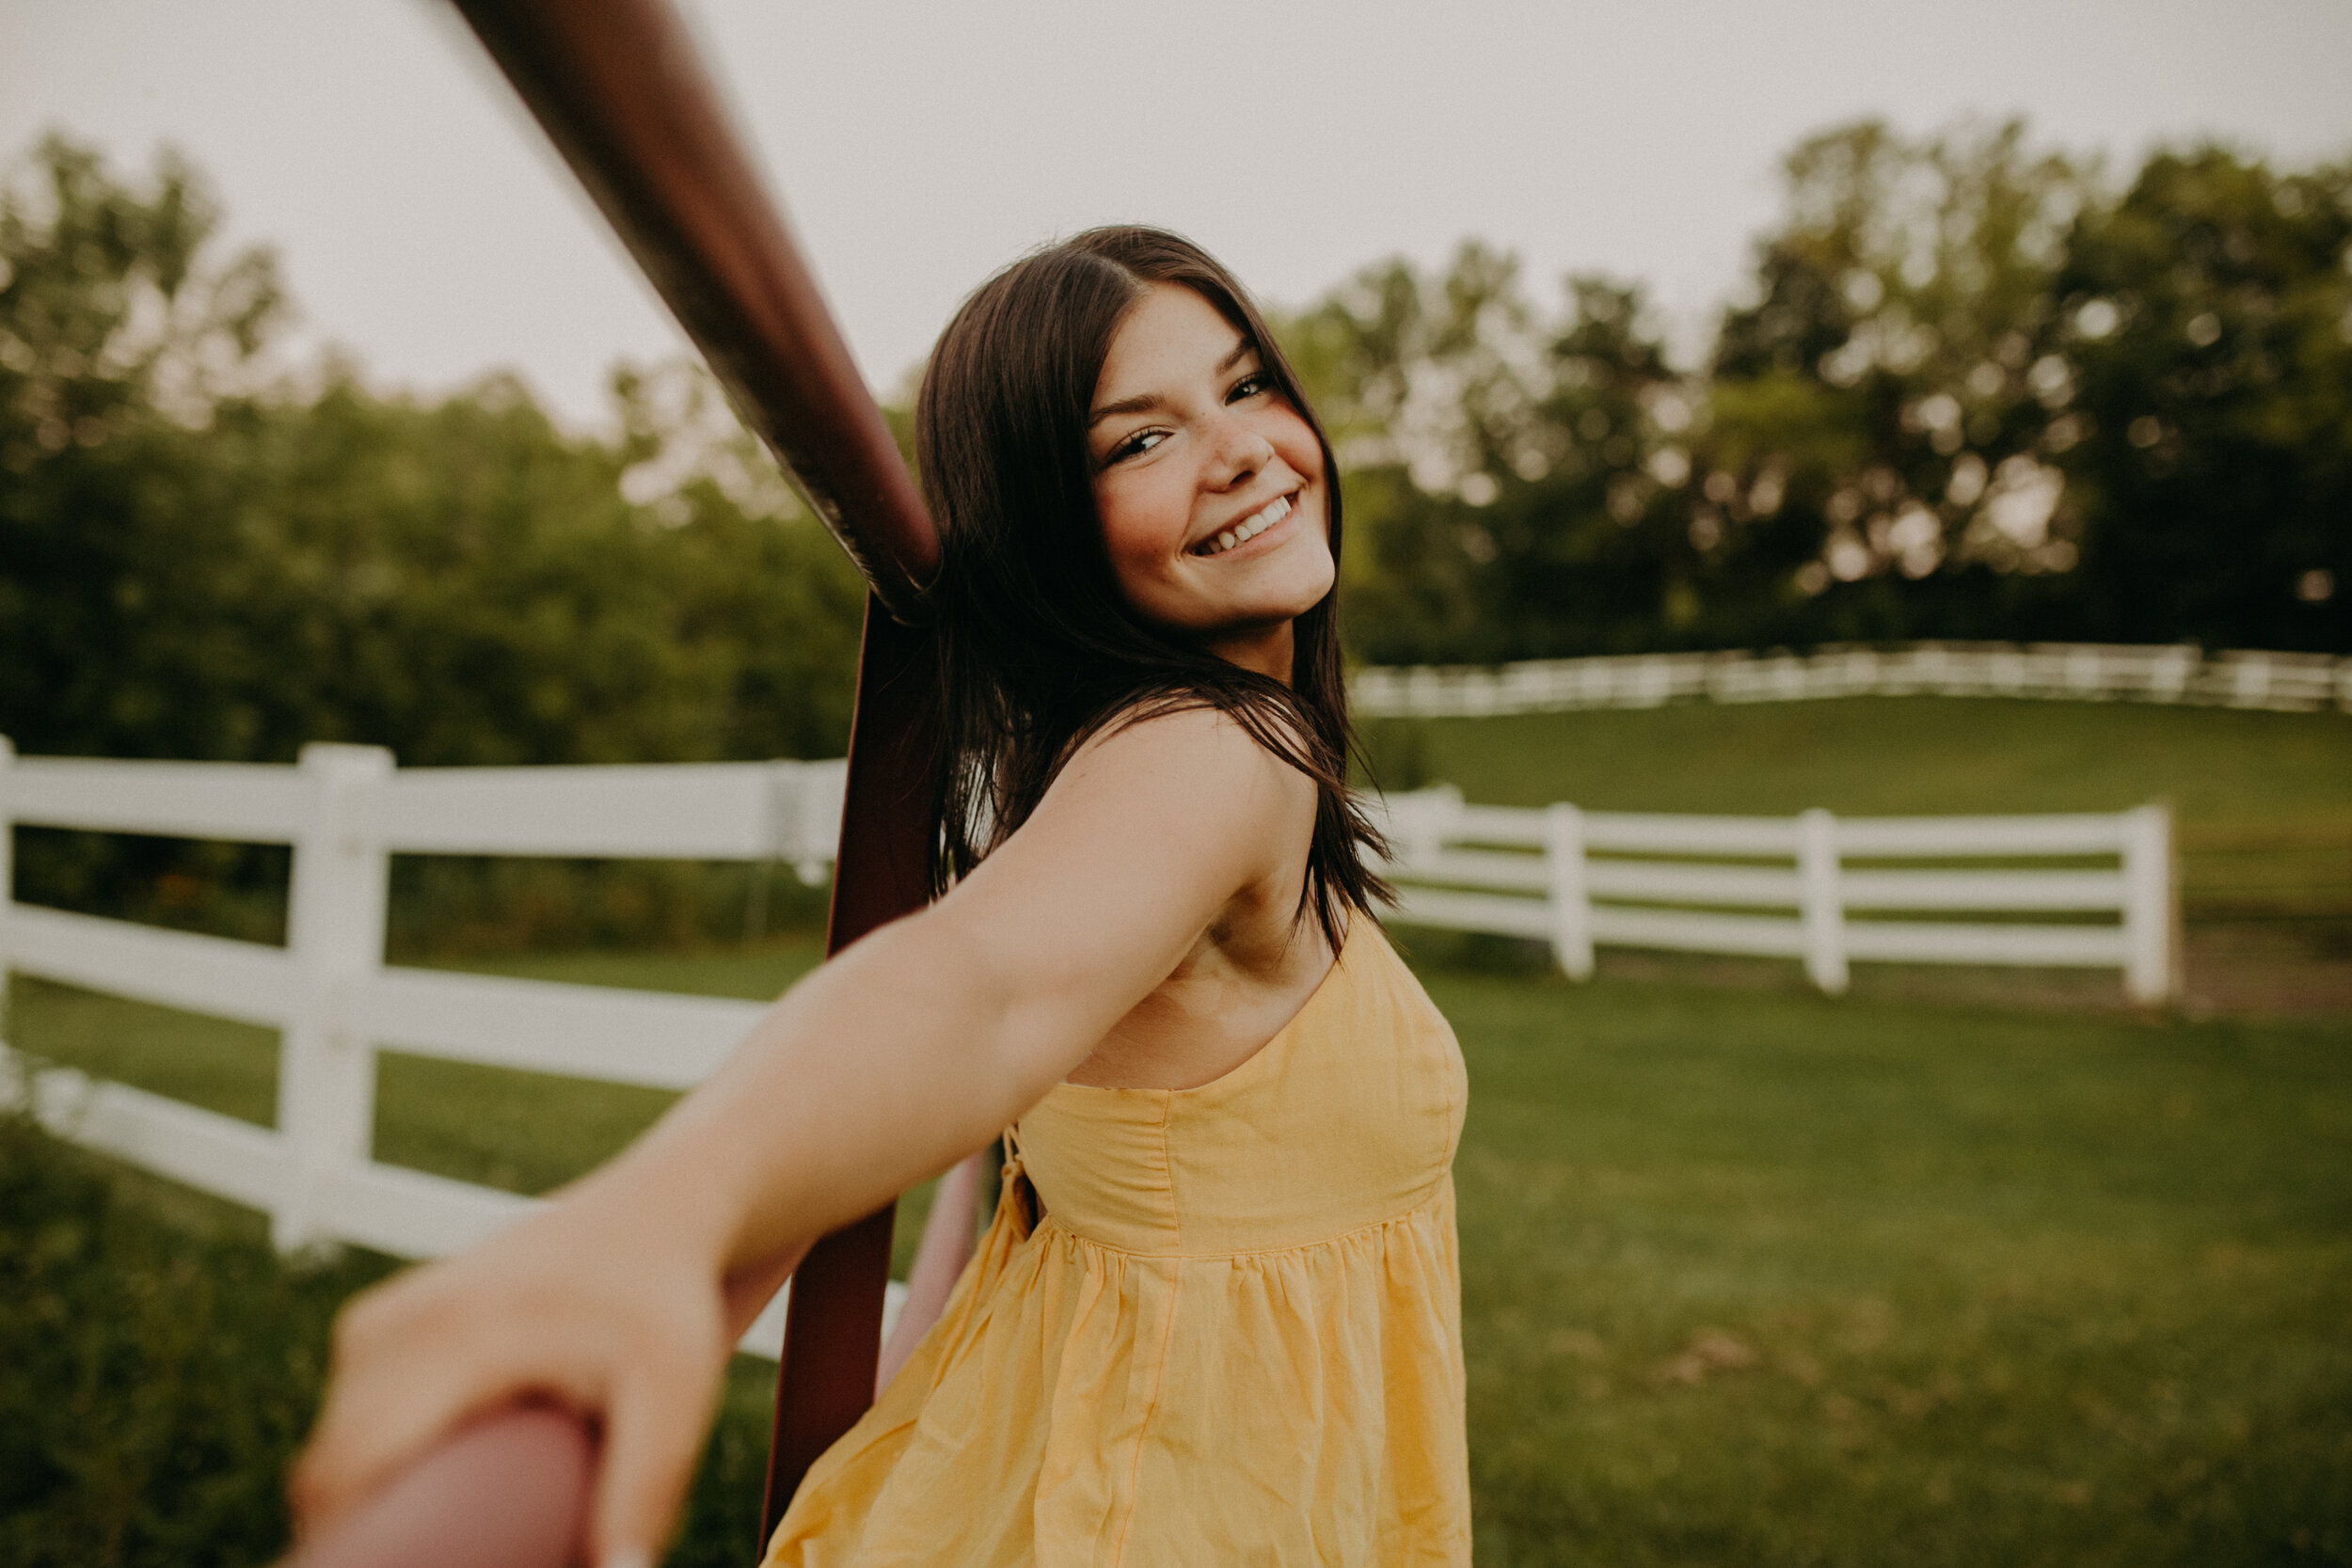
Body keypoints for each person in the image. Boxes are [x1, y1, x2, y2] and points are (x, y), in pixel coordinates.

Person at [292, 227, 1470, 1567]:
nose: (1245, 447)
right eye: (1139, 441)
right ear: (1047, 527)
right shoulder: (1214, 755)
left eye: (1248, 384)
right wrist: (661, 1219)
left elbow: (1017, 1138)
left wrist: (910, 1361)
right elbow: (982, 988)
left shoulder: (1138, 768)